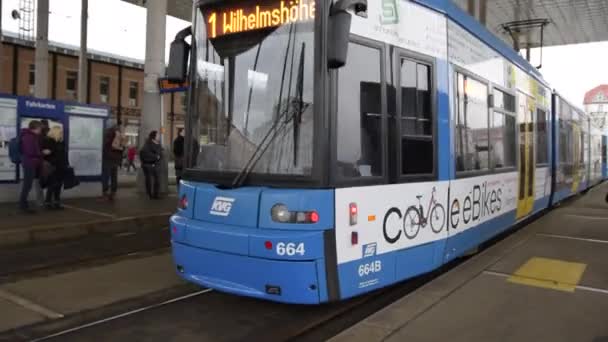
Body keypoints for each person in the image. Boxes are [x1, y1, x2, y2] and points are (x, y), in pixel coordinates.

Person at [19, 120, 43, 213]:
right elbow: (30, 152)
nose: (41, 130)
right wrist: (41, 154)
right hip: (30, 163)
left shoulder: (30, 136)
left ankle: (23, 205)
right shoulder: (29, 137)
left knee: (27, 185)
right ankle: (23, 206)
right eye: (40, 128)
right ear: (36, 128)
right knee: (27, 185)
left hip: (29, 162)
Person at [41, 126, 68, 209]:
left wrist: (67, 163)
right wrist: (49, 153)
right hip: (52, 166)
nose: (62, 134)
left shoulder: (61, 142)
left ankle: (57, 202)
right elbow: (45, 154)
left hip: (61, 166)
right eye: (60, 132)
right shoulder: (48, 141)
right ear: (55, 132)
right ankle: (48, 203)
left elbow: (64, 154)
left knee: (59, 185)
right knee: (52, 185)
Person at [101, 125, 124, 201]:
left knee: (106, 176)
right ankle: (113, 193)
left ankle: (105, 193)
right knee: (114, 176)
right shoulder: (119, 135)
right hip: (115, 158)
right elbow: (122, 148)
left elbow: (106, 145)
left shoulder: (109, 134)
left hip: (108, 158)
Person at [140, 131, 162, 199]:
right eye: (158, 135)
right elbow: (144, 152)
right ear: (154, 136)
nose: (159, 136)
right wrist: (156, 157)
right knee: (149, 180)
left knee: (157, 180)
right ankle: (149, 195)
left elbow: (160, 154)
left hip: (155, 164)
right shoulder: (148, 143)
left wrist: (159, 156)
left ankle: (156, 194)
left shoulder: (158, 144)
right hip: (148, 164)